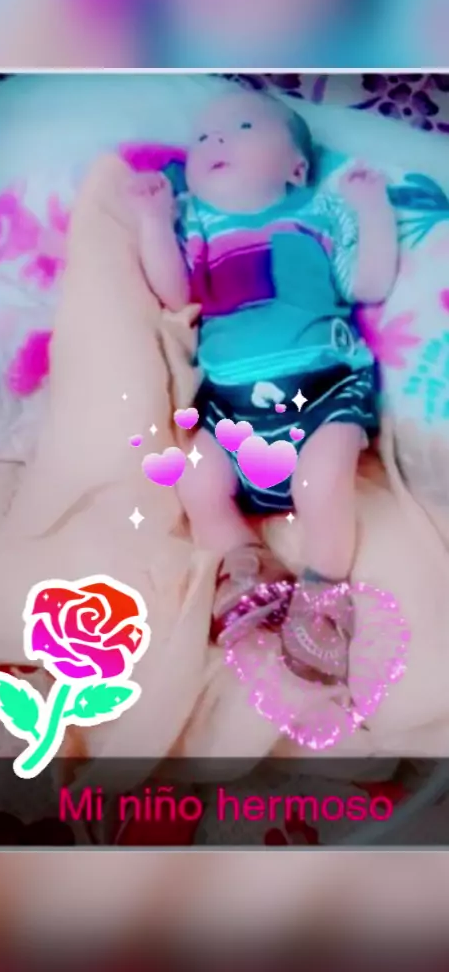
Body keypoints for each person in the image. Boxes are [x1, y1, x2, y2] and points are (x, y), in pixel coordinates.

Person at [136, 87, 398, 685]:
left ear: (296, 168)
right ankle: (246, 563)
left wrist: (373, 208)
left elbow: (369, 282)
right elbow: (175, 294)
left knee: (320, 478)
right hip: (231, 404)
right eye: (202, 138)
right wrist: (152, 222)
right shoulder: (197, 222)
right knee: (197, 479)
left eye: (244, 127)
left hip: (321, 390)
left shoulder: (318, 213)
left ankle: (323, 595)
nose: (215, 141)